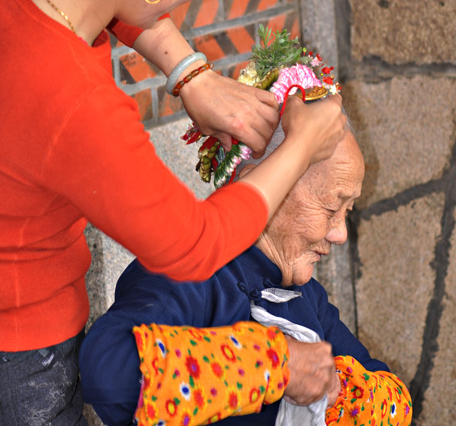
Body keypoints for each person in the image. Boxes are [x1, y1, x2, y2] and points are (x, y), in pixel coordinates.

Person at [0, 0, 346, 424]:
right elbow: (193, 244)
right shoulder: (71, 103)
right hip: (11, 345)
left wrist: (190, 74)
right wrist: (301, 144)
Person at [79, 121, 412, 426]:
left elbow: (396, 403)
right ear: (267, 181)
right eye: (330, 208)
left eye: (347, 211)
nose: (340, 233)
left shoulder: (307, 297)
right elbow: (109, 374)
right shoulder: (189, 270)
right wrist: (273, 364)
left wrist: (335, 386)